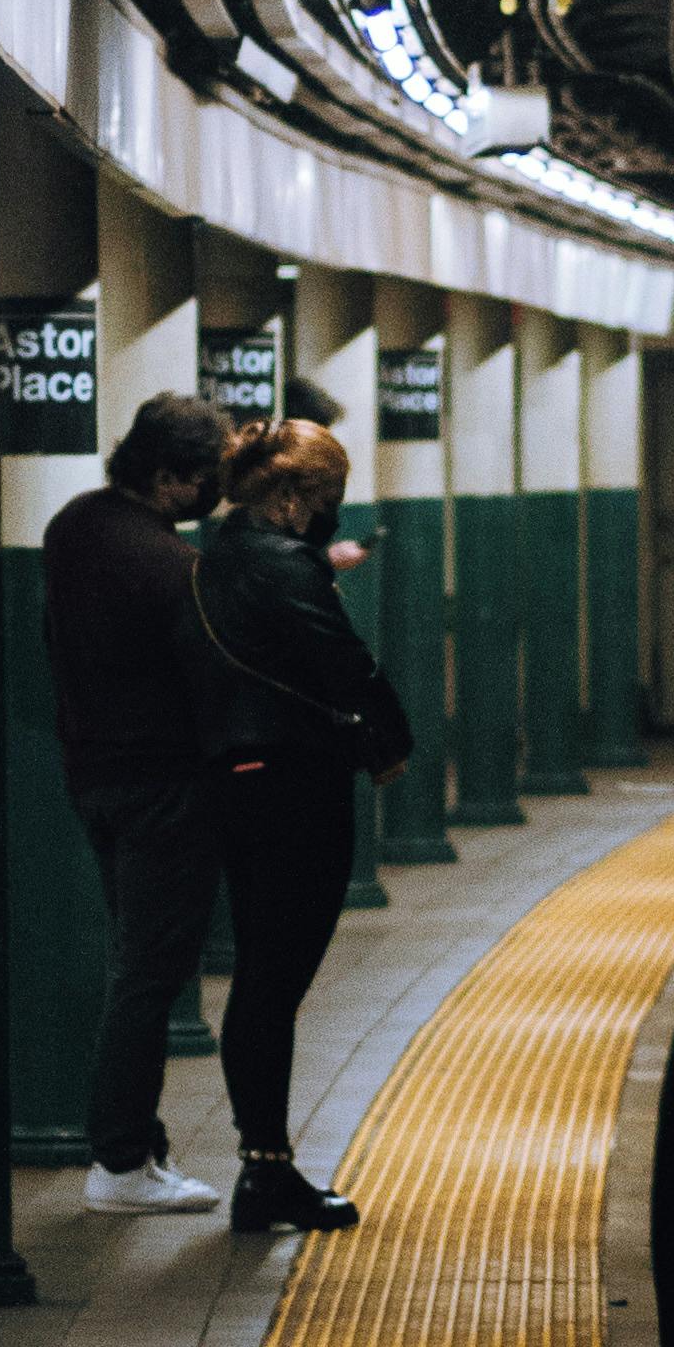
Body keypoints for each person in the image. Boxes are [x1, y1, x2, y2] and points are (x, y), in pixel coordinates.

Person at [187, 418, 412, 1236]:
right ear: (290, 498)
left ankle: (266, 1164)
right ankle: (266, 1173)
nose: (333, 514)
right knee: (271, 982)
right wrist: (391, 740)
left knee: (262, 975)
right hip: (291, 781)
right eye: (327, 499)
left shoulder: (219, 553)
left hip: (239, 775)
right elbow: (340, 660)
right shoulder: (282, 564)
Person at [41, 388, 229, 1208]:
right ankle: (119, 1163)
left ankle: (136, 1150)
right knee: (149, 974)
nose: (210, 494)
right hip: (164, 786)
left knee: (132, 964)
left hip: (93, 775)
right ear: (167, 477)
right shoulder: (175, 568)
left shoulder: (73, 524)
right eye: (203, 479)